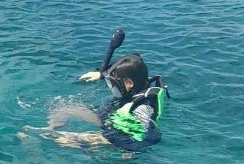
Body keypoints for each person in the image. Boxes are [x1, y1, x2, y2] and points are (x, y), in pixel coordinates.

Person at [24, 52, 167, 152]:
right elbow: (133, 58)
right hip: (111, 120)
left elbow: (148, 138)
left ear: (129, 83)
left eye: (115, 82)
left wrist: (112, 144)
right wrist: (101, 73)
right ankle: (51, 127)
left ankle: (37, 137)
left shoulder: (143, 108)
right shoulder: (138, 85)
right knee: (64, 108)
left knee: (67, 139)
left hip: (121, 139)